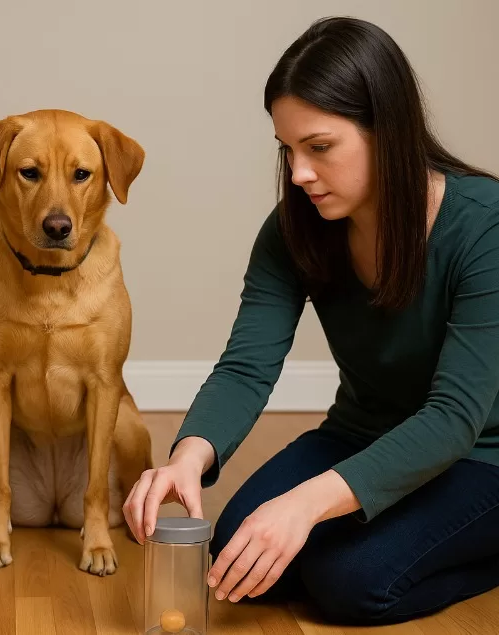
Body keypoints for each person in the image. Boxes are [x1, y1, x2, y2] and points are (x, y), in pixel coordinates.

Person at [124, 16, 499, 626]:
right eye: (287, 150)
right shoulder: (295, 226)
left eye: (319, 147)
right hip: (362, 433)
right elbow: (247, 366)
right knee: (235, 553)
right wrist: (186, 458)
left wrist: (305, 505)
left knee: (348, 583)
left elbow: (454, 419)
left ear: (388, 130)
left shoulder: (486, 225)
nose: (298, 174)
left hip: (481, 455)